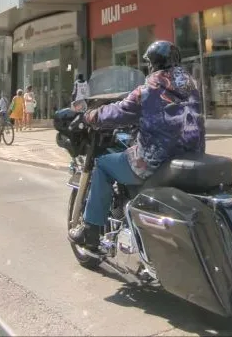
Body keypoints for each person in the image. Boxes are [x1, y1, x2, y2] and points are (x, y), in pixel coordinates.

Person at [69, 40, 205, 251]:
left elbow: (118, 112)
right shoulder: (192, 87)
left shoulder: (150, 89)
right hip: (190, 156)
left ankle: (91, 230)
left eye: (149, 63)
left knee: (103, 164)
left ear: (154, 64)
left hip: (155, 159)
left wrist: (88, 117)